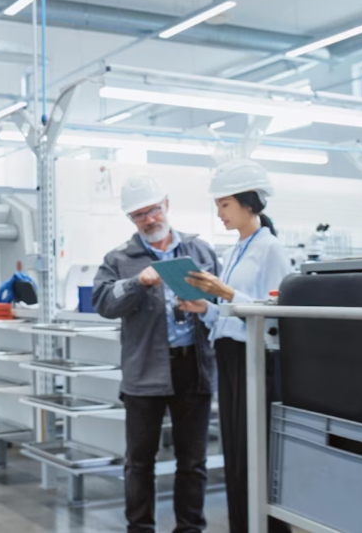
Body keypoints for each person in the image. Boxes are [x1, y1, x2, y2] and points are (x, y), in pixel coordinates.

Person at [92, 175, 220, 533]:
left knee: (193, 460)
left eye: (153, 210)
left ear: (166, 205)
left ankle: (189, 528)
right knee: (139, 461)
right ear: (130, 219)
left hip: (194, 368)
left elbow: (223, 297)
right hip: (144, 371)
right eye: (139, 215)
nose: (148, 219)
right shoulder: (119, 258)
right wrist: (138, 282)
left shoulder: (200, 251)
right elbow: (103, 302)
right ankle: (140, 528)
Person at [179, 159, 292, 533]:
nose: (220, 213)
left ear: (250, 203)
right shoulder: (234, 251)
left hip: (256, 360)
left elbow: (277, 315)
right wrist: (206, 307)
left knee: (256, 453)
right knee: (235, 453)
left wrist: (225, 292)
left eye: (225, 204)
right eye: (218, 205)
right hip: (228, 356)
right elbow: (232, 314)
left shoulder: (270, 249)